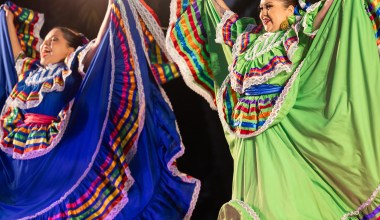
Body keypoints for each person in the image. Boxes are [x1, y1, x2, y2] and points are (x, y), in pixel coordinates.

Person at [166, 0, 380, 218]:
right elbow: (221, 15)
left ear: (289, 10)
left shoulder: (294, 39)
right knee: (252, 204)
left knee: (278, 206)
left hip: (280, 138)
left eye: (269, 6)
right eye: (261, 8)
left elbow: (326, 14)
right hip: (248, 144)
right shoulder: (248, 41)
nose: (263, 13)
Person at [0, 0, 199, 219]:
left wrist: (113, 6)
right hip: (19, 154)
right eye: (45, 41)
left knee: (69, 194)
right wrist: (7, 19)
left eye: (54, 40)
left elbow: (98, 46)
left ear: (70, 48)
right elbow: (16, 54)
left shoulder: (70, 65)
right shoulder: (29, 74)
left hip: (59, 150)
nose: (45, 45)